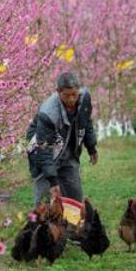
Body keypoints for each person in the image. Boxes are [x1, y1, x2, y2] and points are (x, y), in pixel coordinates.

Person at [26, 71, 98, 205]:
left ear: (79, 91)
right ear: (58, 92)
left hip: (67, 151)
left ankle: (72, 225)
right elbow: (44, 148)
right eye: (66, 95)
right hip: (42, 150)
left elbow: (86, 122)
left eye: (74, 95)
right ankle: (40, 225)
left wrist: (91, 147)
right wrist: (53, 181)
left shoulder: (84, 98)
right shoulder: (48, 112)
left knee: (74, 196)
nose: (71, 99)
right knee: (45, 202)